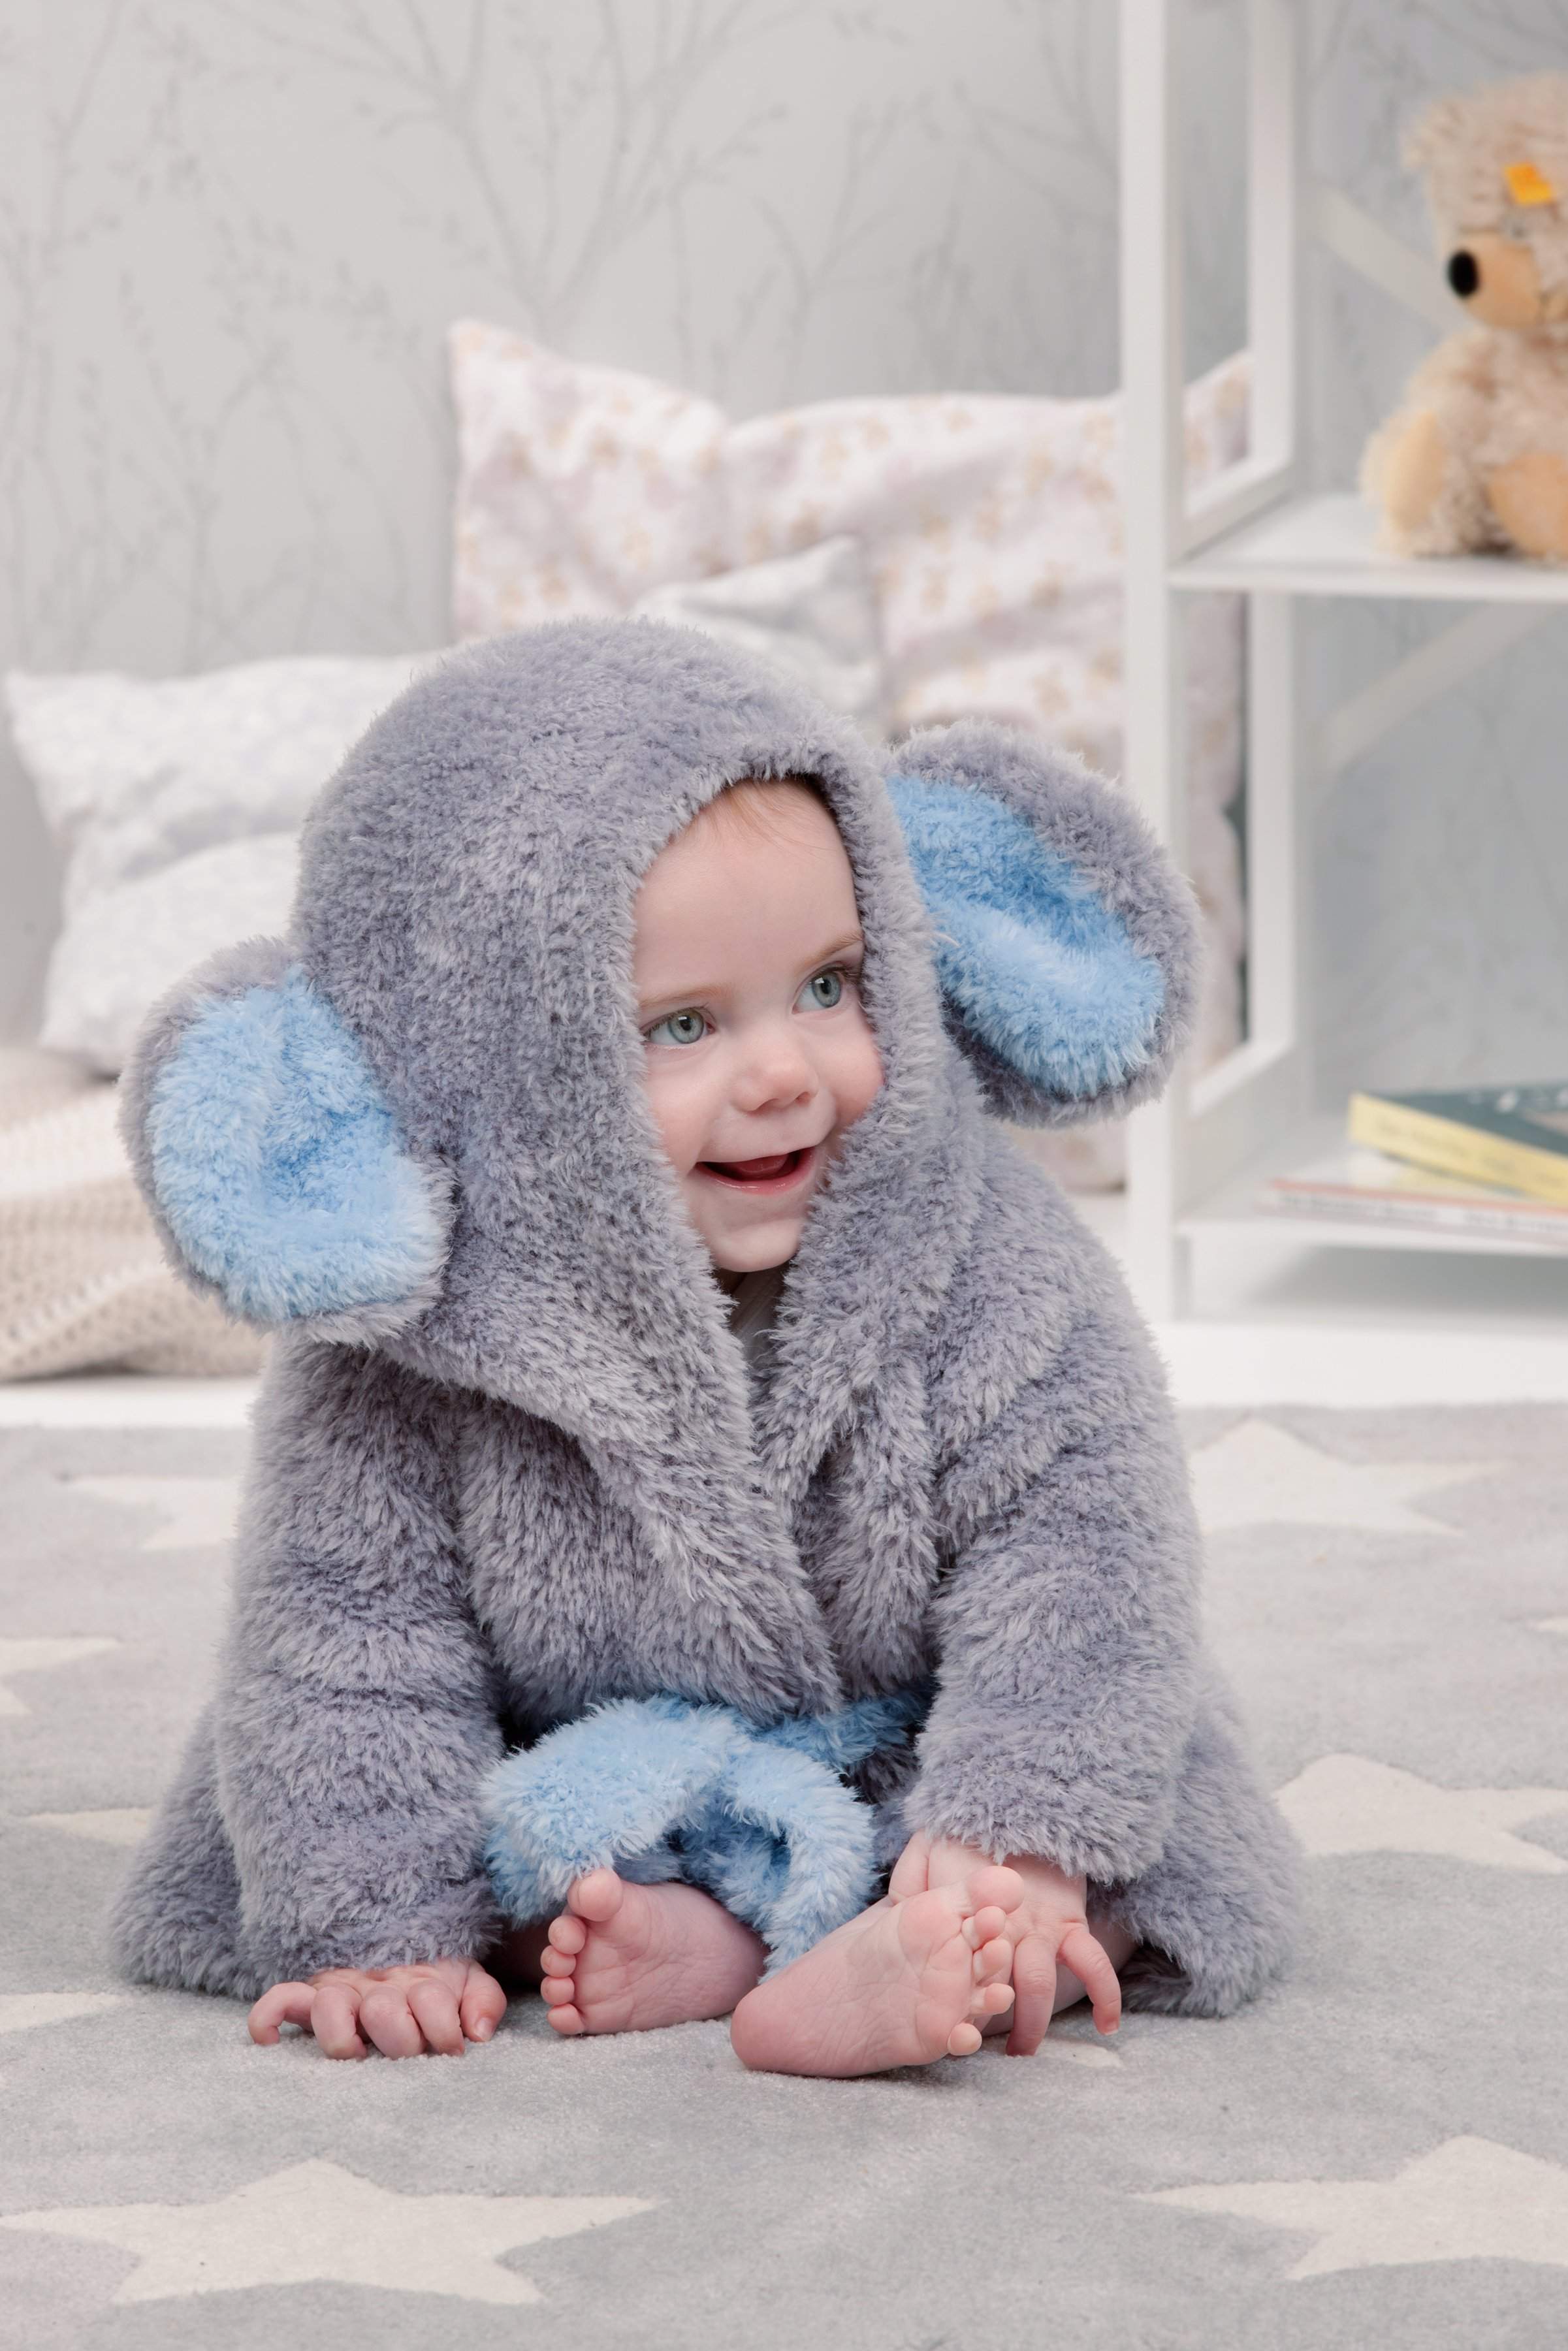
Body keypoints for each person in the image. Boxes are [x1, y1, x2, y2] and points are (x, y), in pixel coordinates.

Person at [112, 620, 1298, 2077]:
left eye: (829, 985)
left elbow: (1087, 1545)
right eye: (682, 1025)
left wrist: (1019, 1829)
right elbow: (345, 1639)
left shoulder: (983, 1254)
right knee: (493, 1845)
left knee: (1101, 1869)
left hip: (916, 1749)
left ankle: (908, 1946)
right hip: (599, 1772)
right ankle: (724, 1937)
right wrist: (378, 1928)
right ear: (499, 1067)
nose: (784, 1071)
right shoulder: (402, 1348)